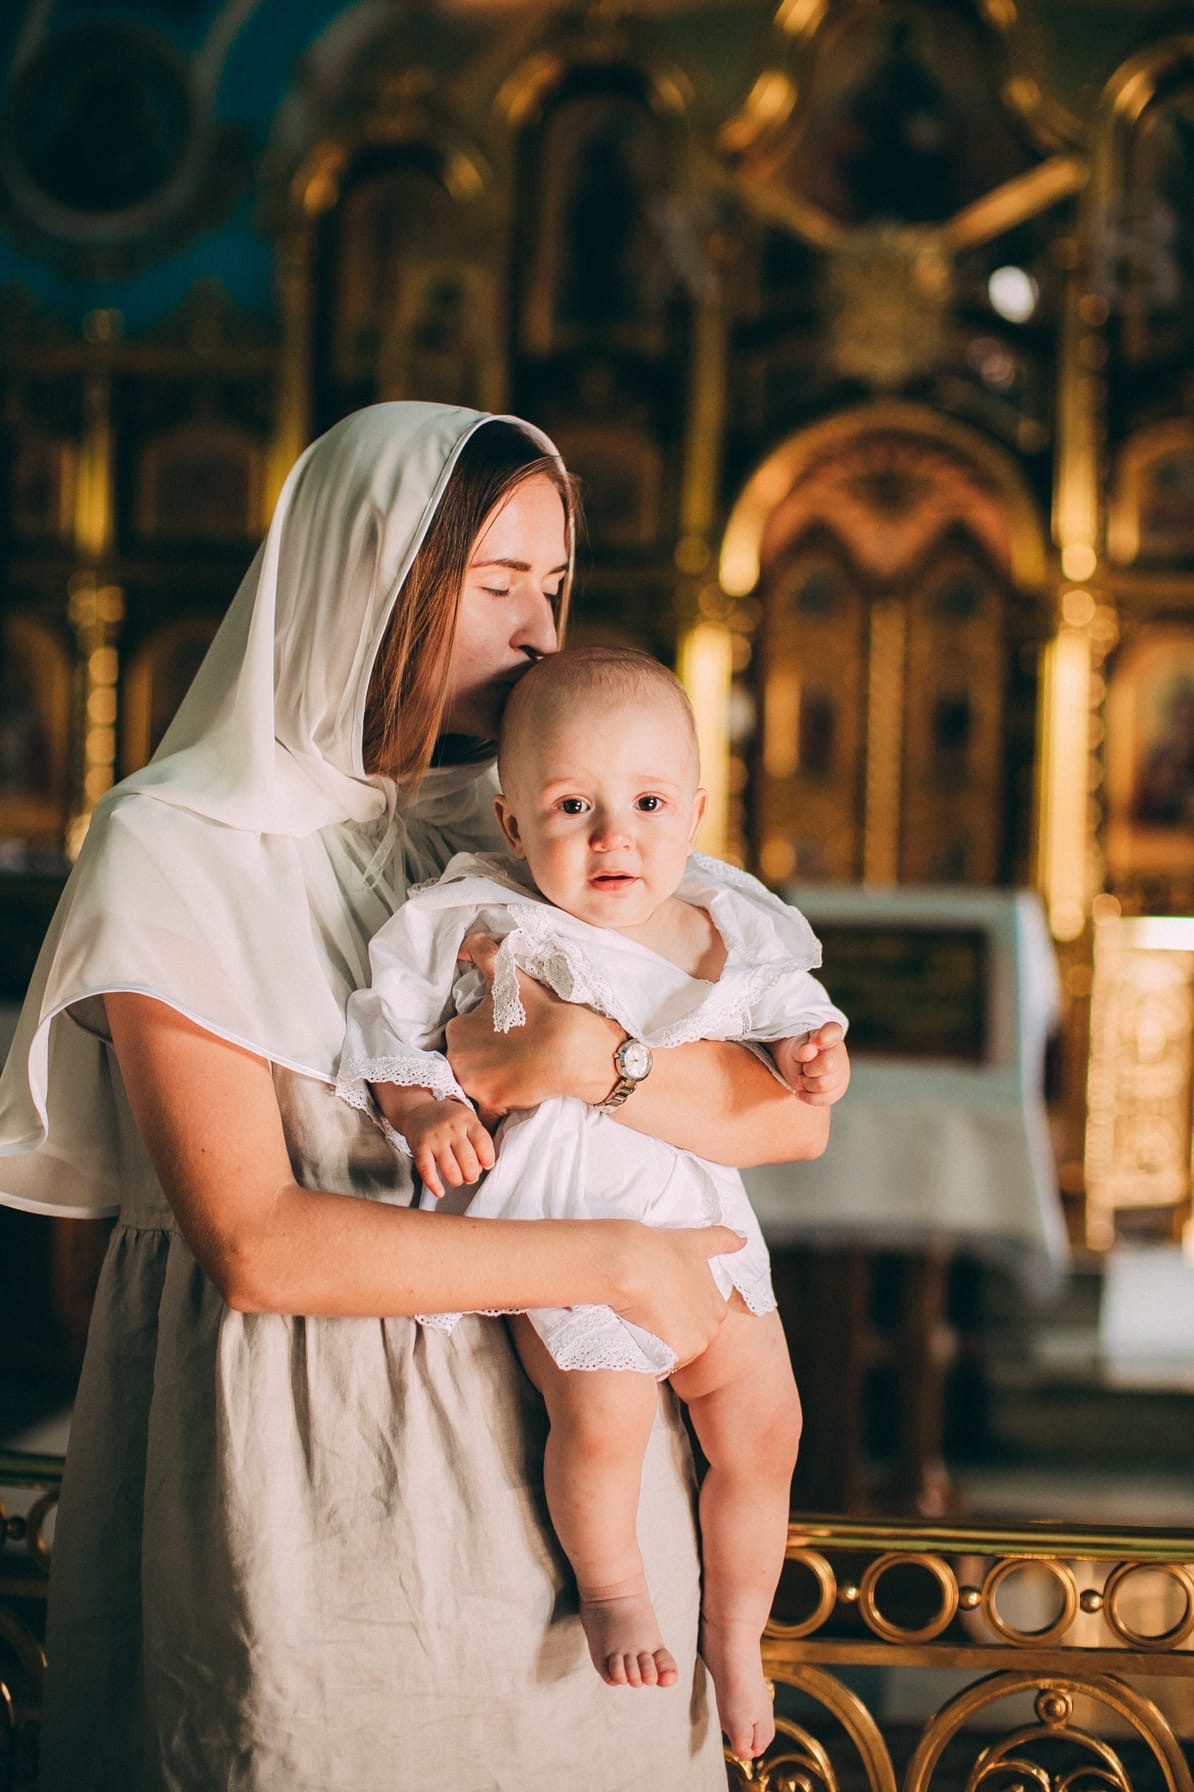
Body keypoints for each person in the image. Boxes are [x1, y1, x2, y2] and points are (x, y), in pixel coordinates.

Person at [0, 402, 848, 1790]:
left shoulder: (536, 817)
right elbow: (259, 1245)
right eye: (496, 585)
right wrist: (615, 1259)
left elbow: (783, 1121)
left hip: (570, 1483)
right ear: (365, 577)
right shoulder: (177, 846)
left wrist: (597, 1066)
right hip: (307, 1468)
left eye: (557, 588)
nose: (538, 632)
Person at [337, 646, 849, 1762]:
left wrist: (814, 1056)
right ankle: (615, 1587)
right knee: (604, 1419)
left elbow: (789, 1030)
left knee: (768, 1430)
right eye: (575, 806)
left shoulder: (721, 917)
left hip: (708, 1234)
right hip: (566, 1242)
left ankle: (740, 1635)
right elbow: (387, 1027)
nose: (616, 837)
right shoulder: (473, 915)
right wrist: (424, 1112)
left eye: (649, 804)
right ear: (515, 825)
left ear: (697, 811)